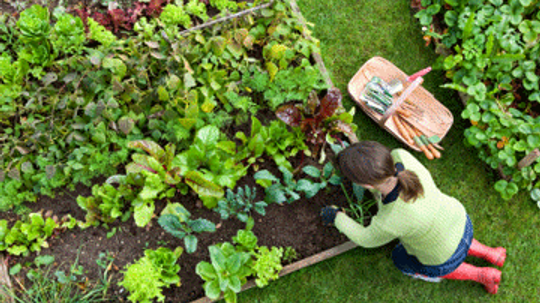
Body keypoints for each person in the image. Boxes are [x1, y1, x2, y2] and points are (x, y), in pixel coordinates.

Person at [320, 141, 506, 294]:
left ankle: (482, 275)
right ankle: (491, 253)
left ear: (368, 185)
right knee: (453, 238)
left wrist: (337, 217)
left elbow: (365, 239)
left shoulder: (390, 220)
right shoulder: (401, 157)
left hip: (441, 256)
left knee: (400, 259)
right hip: (460, 221)